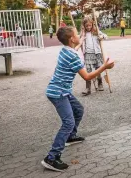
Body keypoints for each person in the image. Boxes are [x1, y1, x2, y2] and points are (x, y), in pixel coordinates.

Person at [42, 26, 114, 172]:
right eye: (76, 35)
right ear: (71, 39)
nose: (78, 36)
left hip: (62, 90)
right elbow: (87, 76)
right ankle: (51, 157)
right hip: (58, 93)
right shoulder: (72, 56)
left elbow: (75, 48)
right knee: (68, 122)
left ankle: (70, 137)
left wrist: (83, 41)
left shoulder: (65, 50)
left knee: (78, 110)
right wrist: (105, 66)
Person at [80, 17, 108, 96]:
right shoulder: (83, 34)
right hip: (88, 54)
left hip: (97, 53)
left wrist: (101, 37)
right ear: (84, 26)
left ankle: (100, 83)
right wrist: (81, 38)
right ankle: (88, 88)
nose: (88, 27)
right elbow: (79, 41)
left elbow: (106, 36)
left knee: (98, 69)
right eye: (86, 26)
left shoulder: (96, 32)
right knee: (88, 71)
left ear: (92, 24)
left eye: (90, 25)